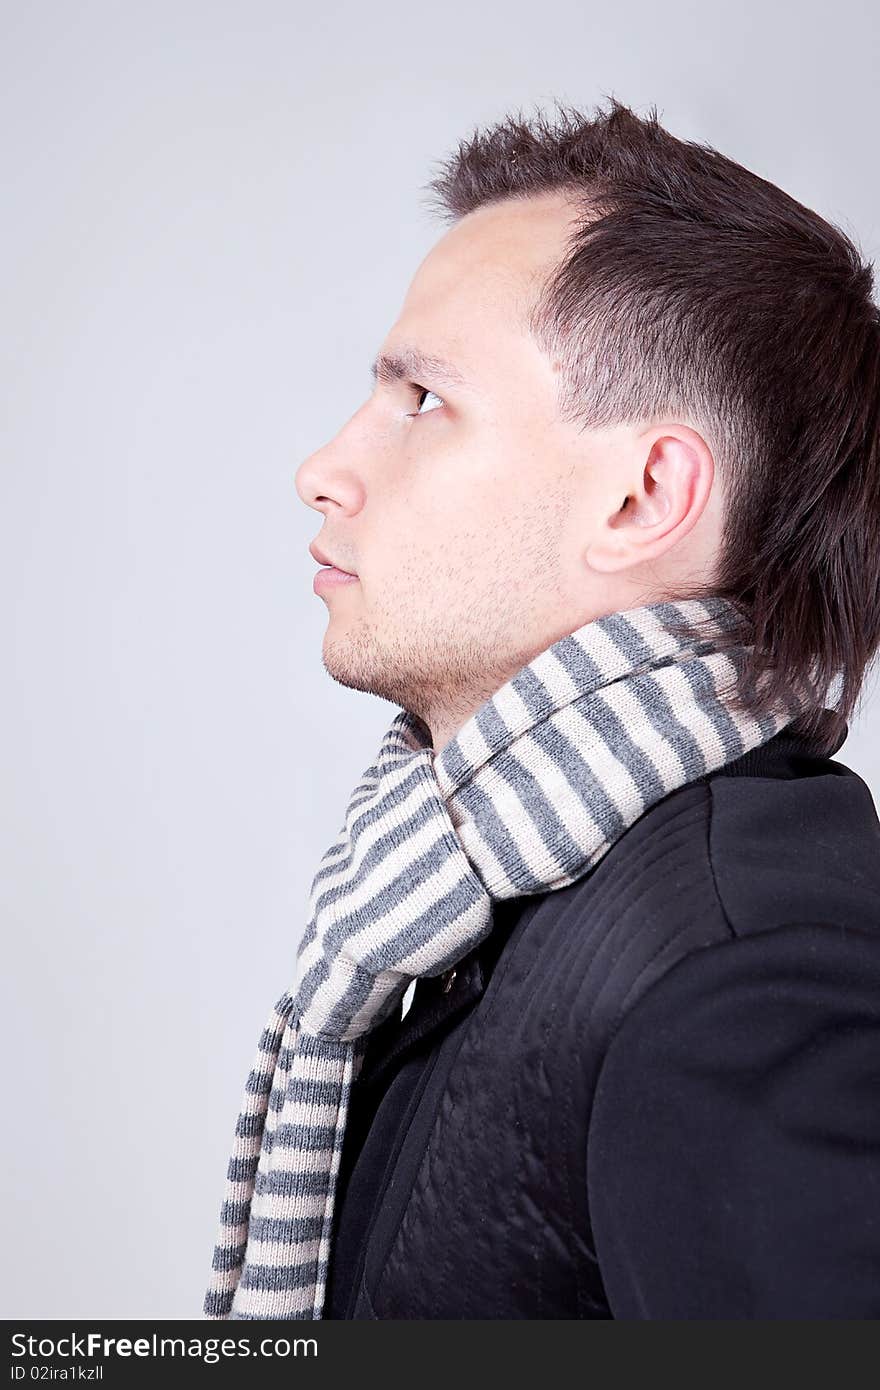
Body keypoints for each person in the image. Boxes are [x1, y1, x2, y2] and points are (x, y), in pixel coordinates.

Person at [204, 96, 880, 1321]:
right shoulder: (482, 882)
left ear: (640, 497)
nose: (325, 467)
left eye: (422, 401)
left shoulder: (744, 979)